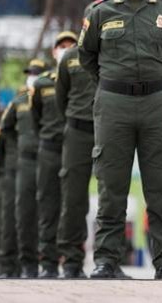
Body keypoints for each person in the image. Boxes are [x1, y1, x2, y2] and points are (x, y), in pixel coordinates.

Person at [78, 0, 162, 279]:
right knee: (111, 187)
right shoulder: (99, 11)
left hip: (156, 103)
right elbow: (87, 57)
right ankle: (106, 261)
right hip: (113, 104)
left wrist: (161, 80)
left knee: (159, 187)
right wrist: (113, 83)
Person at [31, 31, 78, 278]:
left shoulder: (83, 76)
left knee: (73, 205)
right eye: (62, 46)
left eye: (71, 45)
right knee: (48, 206)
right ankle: (48, 263)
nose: (66, 49)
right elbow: (35, 117)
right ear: (54, 51)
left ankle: (73, 263)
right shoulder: (42, 83)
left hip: (74, 147)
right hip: (49, 148)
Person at [55, 30, 99, 279]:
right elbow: (61, 98)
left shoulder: (109, 53)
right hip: (77, 130)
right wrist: (73, 121)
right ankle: (72, 261)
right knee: (73, 197)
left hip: (107, 129)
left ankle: (109, 260)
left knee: (112, 195)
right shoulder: (69, 58)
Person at [16, 59, 47, 278]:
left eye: (37, 73)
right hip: (26, 161)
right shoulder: (18, 101)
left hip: (48, 156)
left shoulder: (53, 96)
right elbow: (5, 129)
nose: (32, 76)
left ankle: (49, 262)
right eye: (30, 72)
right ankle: (28, 263)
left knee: (48, 213)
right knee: (25, 213)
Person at [0, 85, 27, 278]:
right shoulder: (13, 111)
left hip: (30, 165)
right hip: (11, 170)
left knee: (26, 217)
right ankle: (7, 266)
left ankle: (24, 264)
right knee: (9, 218)